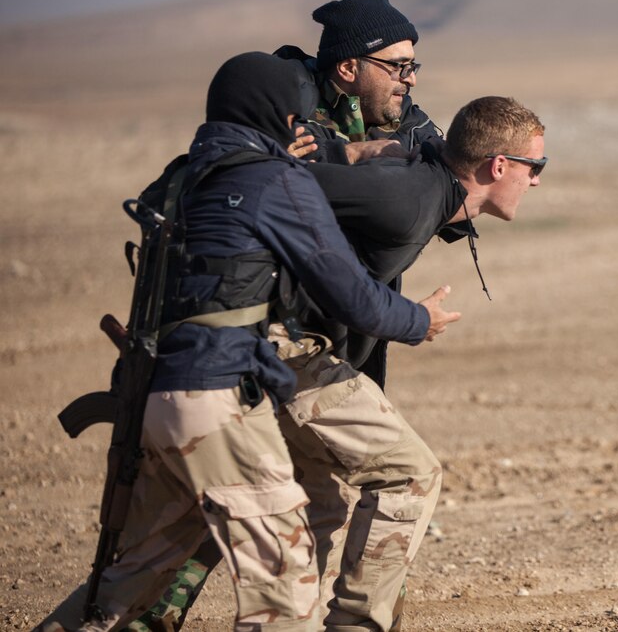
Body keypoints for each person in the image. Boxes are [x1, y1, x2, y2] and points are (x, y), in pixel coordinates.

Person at [36, 52, 460, 632]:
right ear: (285, 118)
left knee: (127, 582)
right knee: (285, 587)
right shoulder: (274, 180)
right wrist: (418, 320)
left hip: (153, 391)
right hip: (215, 397)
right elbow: (352, 295)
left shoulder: (185, 175)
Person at [139, 96, 547, 632]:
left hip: (271, 352)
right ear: (498, 166)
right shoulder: (407, 197)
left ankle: (134, 613)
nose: (537, 181)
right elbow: (283, 184)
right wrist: (412, 318)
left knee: (310, 503)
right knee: (411, 473)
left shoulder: (425, 191)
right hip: (283, 349)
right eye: (534, 167)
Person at [275, 0, 442, 165]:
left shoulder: (411, 122)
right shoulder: (289, 108)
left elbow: (451, 180)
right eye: (397, 66)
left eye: (411, 67)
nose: (411, 79)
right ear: (348, 69)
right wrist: (349, 153)